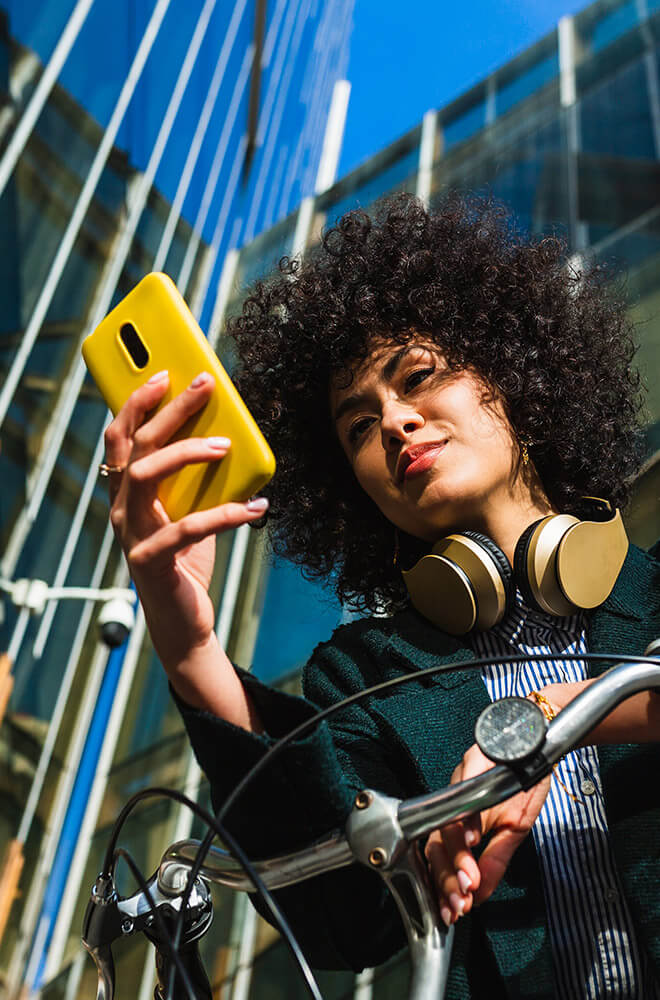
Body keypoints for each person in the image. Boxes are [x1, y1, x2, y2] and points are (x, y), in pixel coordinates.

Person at [104, 194, 660, 998]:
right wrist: (193, 656)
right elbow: (336, 926)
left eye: (419, 376)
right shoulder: (365, 675)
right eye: (358, 427)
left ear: (516, 374)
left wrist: (551, 719)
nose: (395, 422)